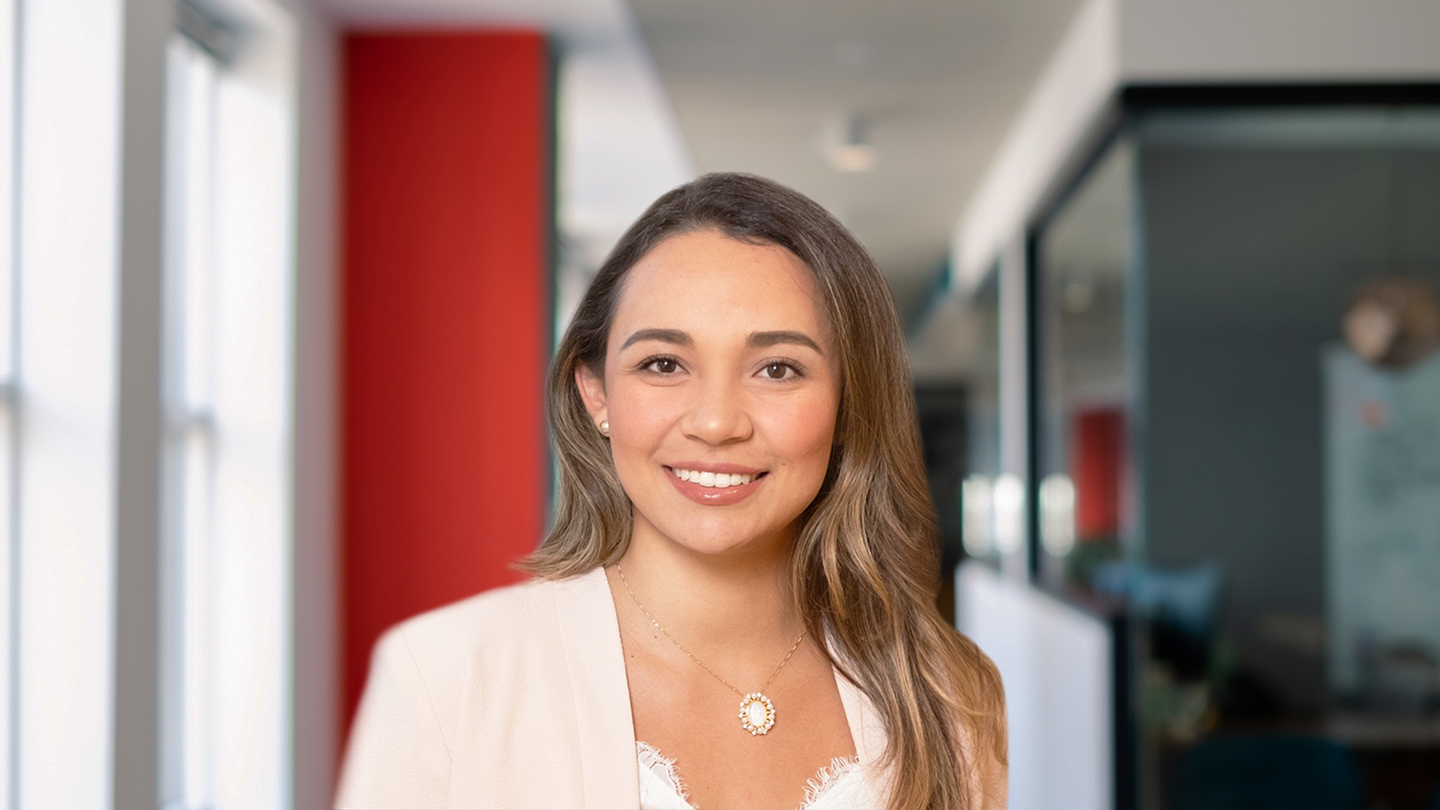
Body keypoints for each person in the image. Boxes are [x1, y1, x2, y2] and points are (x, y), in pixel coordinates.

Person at [335, 173, 1007, 810]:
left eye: (777, 369)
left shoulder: (951, 694)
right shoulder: (443, 680)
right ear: (596, 394)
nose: (716, 423)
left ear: (848, 405)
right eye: (663, 363)